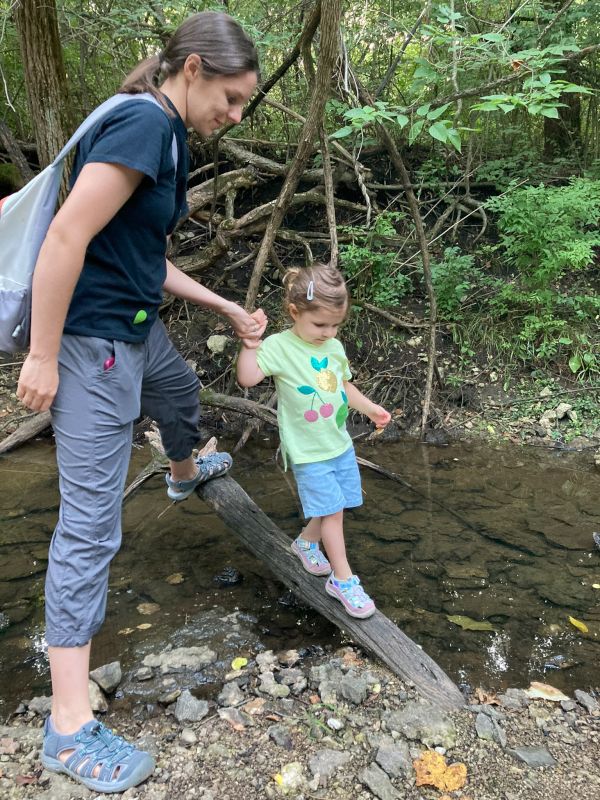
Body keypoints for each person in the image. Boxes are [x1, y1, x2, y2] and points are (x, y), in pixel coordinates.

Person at [16, 11, 266, 794]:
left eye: (243, 107)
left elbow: (141, 257)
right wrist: (45, 357)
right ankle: (66, 729)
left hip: (137, 329)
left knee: (181, 391)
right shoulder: (139, 124)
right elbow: (64, 238)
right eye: (229, 98)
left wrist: (223, 306)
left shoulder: (167, 134)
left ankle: (184, 469)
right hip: (92, 346)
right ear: (192, 68)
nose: (234, 116)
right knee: (89, 526)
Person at [237, 263, 391, 619]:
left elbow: (343, 386)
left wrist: (370, 409)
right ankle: (343, 579)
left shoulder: (334, 347)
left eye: (335, 324)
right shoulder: (280, 346)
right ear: (295, 312)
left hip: (338, 443)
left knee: (337, 503)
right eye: (320, 324)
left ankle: (306, 542)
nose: (328, 332)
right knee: (333, 512)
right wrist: (250, 343)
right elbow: (247, 377)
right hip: (308, 451)